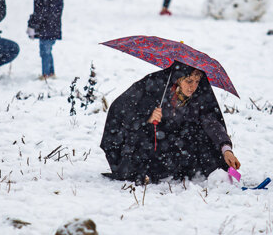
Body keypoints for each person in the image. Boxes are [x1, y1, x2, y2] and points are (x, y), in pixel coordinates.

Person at [101, 62, 240, 183]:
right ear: (178, 80)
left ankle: (217, 174)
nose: (193, 87)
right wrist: (148, 119)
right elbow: (124, 111)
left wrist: (226, 149)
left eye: (197, 82)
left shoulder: (198, 97)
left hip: (177, 150)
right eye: (189, 81)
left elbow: (211, 122)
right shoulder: (156, 87)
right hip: (152, 148)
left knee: (200, 135)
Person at [27, 0, 64, 80]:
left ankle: (46, 73)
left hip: (45, 29)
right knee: (48, 51)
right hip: (54, 28)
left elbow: (39, 14)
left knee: (45, 52)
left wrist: (32, 26)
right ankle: (51, 72)